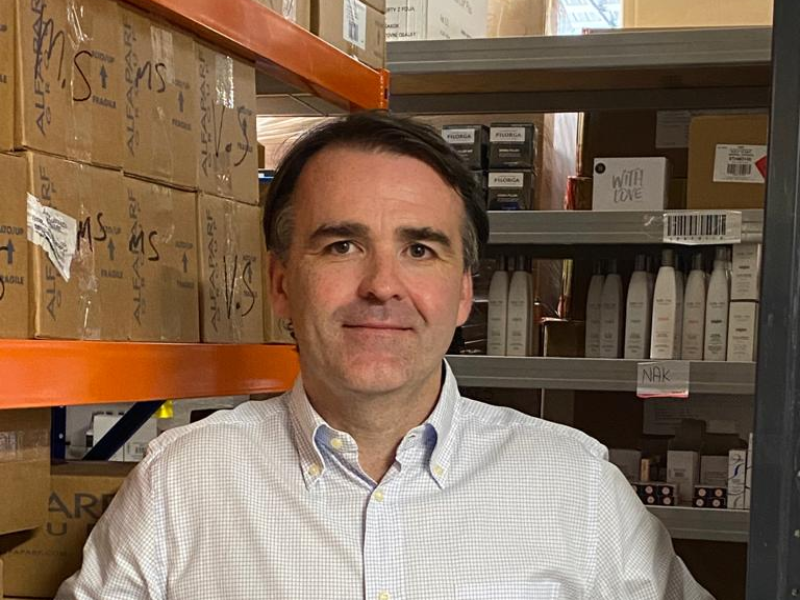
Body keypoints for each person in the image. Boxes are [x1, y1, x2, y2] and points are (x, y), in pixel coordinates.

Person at [57, 111, 713, 600]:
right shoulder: (184, 482)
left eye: (420, 250)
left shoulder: (574, 487)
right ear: (282, 285)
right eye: (341, 245)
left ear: (462, 295)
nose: (381, 285)